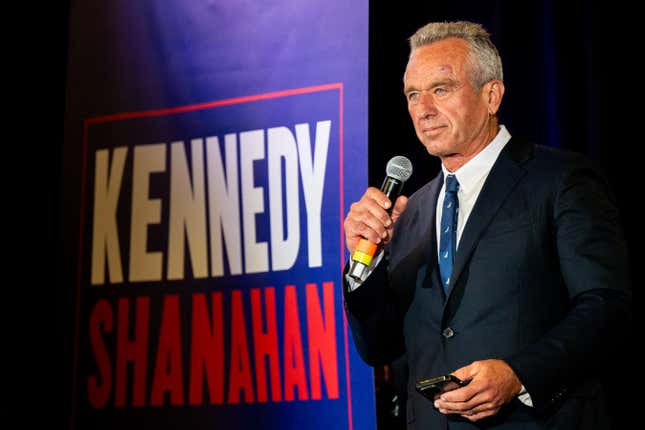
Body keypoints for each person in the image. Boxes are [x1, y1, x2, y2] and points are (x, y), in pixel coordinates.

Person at [342, 21, 631, 429]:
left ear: (491, 95)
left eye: (441, 89)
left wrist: (519, 376)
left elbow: (607, 308)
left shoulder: (560, 180)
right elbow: (379, 347)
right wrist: (363, 263)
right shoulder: (409, 213)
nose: (423, 109)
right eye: (412, 94)